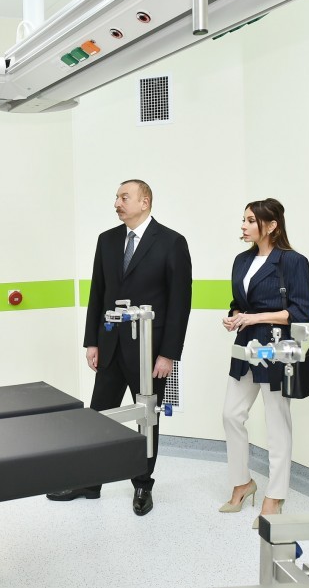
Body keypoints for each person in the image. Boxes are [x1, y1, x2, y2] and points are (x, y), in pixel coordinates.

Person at [47, 179, 192, 516]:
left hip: (149, 352)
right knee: (99, 416)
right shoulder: (108, 240)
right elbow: (98, 292)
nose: (117, 203)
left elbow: (180, 302)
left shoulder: (171, 242)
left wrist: (169, 354)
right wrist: (92, 341)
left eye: (124, 197)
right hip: (111, 345)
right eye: (116, 197)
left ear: (145, 201)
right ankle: (89, 482)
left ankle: (142, 485)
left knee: (147, 420)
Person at [221, 198, 309, 528]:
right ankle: (242, 483)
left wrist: (254, 317)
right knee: (231, 414)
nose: (244, 226)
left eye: (251, 220)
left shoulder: (292, 261)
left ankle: (275, 496)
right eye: (244, 219)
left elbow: (303, 311)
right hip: (246, 347)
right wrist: (235, 317)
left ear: (272, 225)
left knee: (277, 423)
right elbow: (238, 302)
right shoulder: (241, 260)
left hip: (276, 350)